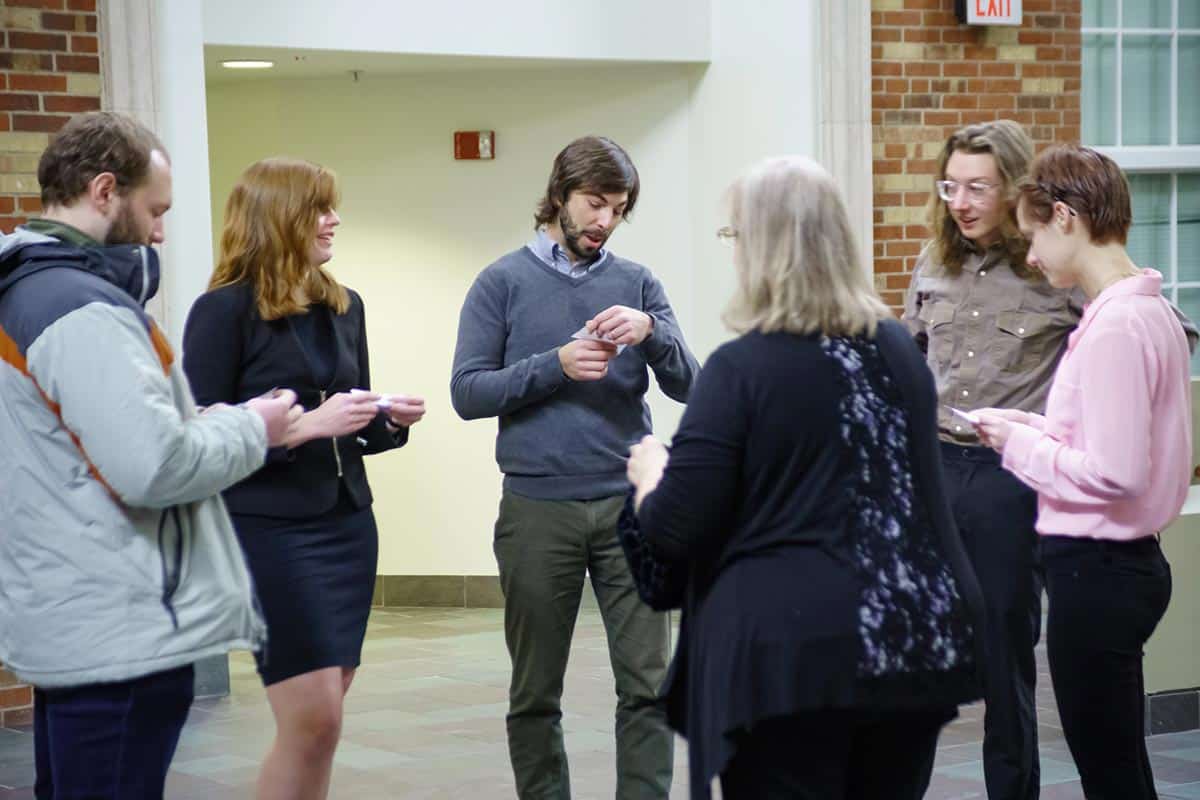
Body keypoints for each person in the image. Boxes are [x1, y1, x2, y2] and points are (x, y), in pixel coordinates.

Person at [624, 155, 985, 799]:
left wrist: (651, 472)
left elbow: (677, 524)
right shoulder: (897, 349)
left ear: (762, 247)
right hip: (909, 637)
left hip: (791, 657)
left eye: (736, 235)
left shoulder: (742, 368)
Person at [0, 111, 300, 798]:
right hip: (119, 625)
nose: (160, 232)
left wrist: (196, 424)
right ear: (105, 190)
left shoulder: (23, 288)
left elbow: (83, 444)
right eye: (155, 210)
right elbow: (154, 467)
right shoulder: (79, 307)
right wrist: (254, 427)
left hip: (73, 611)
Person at [901, 120, 1195, 800]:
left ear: (1016, 193)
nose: (962, 202)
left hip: (1015, 479)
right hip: (939, 468)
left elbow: (1159, 341)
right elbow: (911, 358)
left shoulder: (1073, 280)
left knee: (1008, 662)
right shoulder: (933, 262)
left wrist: (1047, 426)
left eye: (979, 188)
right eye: (950, 187)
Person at [450, 135, 698, 799]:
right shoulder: (501, 282)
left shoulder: (637, 283)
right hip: (537, 509)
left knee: (648, 687)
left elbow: (692, 386)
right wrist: (554, 366)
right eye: (594, 203)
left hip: (631, 510)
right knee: (535, 693)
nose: (604, 220)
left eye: (617, 209)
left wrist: (653, 332)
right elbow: (467, 393)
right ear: (560, 194)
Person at [182, 157, 426, 800]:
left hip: (348, 524)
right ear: (279, 218)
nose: (334, 219)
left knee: (325, 722)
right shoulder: (222, 311)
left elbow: (349, 418)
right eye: (320, 208)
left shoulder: (345, 305)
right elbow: (199, 439)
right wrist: (306, 428)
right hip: (271, 532)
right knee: (312, 719)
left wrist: (386, 420)